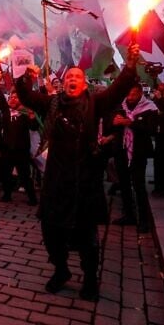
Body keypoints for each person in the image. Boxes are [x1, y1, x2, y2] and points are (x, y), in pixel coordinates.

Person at [15, 44, 139, 301]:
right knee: (52, 232)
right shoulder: (51, 103)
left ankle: (91, 278)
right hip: (56, 181)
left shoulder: (96, 102)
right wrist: (23, 74)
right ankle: (61, 271)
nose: (72, 79)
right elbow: (26, 96)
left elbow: (118, 90)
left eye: (77, 77)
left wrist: (129, 66)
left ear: (84, 85)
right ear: (63, 83)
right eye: (68, 76)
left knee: (86, 237)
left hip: (85, 180)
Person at [111, 85, 158, 233]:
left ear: (140, 94)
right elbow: (110, 125)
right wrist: (115, 122)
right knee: (124, 183)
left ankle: (143, 219)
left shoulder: (150, 108)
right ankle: (129, 215)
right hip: (122, 150)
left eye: (133, 94)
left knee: (138, 185)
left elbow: (151, 129)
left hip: (138, 151)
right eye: (128, 94)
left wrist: (130, 123)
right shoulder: (121, 106)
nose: (130, 97)